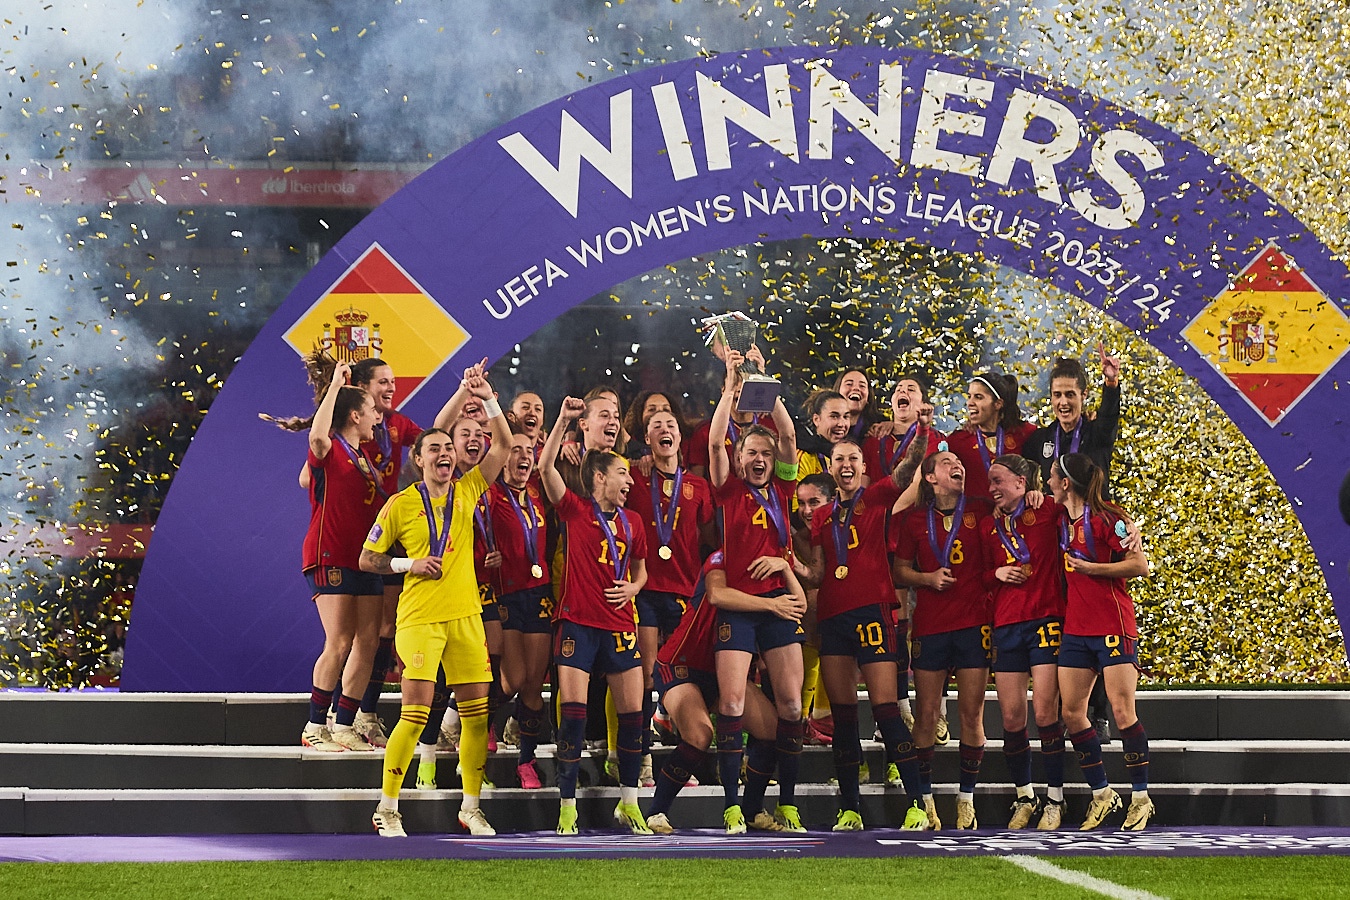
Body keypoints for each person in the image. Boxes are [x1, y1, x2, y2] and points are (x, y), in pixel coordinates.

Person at [359, 363, 512, 838]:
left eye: (449, 448)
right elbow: (367, 559)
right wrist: (410, 565)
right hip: (421, 618)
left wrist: (487, 398)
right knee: (415, 714)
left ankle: (470, 806)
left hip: (466, 616)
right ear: (420, 461)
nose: (446, 454)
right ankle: (387, 807)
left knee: (476, 715)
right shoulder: (402, 504)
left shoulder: (468, 489)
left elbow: (504, 446)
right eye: (436, 449)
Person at [804, 435, 930, 831]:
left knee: (886, 710)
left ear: (862, 466)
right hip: (834, 617)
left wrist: (923, 434)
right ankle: (850, 808)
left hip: (873, 612)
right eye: (839, 458)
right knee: (843, 718)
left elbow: (907, 470)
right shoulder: (821, 516)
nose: (846, 464)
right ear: (830, 465)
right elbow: (820, 572)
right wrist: (788, 562)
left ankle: (916, 803)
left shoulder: (876, 498)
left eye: (853, 458)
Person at [539, 396, 652, 836]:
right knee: (574, 716)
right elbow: (546, 468)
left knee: (632, 716)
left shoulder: (635, 522)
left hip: (622, 626)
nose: (629, 481)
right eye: (622, 473)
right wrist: (563, 420)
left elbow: (641, 568)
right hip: (577, 624)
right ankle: (567, 804)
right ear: (600, 477)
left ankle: (629, 802)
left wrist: (635, 587)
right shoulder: (576, 510)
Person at [707, 346, 807, 834]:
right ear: (740, 457)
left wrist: (763, 380)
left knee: (790, 706)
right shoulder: (728, 490)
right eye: (753, 452)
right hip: (742, 608)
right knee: (731, 705)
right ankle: (730, 807)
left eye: (767, 454)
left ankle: (783, 805)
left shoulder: (785, 490)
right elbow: (712, 447)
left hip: (781, 605)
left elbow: (786, 432)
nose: (762, 459)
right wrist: (731, 390)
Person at [645, 554, 805, 832]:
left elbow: (799, 604)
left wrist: (786, 568)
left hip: (721, 672)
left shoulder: (769, 573)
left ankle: (753, 809)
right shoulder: (721, 559)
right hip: (683, 663)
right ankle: (657, 811)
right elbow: (718, 595)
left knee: (771, 730)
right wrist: (771, 604)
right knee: (699, 735)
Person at [1049, 452, 1153, 831]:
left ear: (1065, 483)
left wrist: (1095, 569)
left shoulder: (1112, 518)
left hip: (1113, 623)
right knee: (1072, 714)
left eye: (1051, 477)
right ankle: (1102, 794)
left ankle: (1141, 798)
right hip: (1077, 629)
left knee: (1123, 712)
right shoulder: (1060, 519)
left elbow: (1139, 565)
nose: (1046, 483)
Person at [1022, 347, 1122, 742]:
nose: (1064, 402)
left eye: (1071, 395)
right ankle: (1068, 710)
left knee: (1094, 624)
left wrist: (1112, 384)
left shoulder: (1096, 432)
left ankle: (1097, 714)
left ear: (1083, 397)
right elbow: (1028, 478)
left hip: (1091, 540)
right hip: (1054, 543)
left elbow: (1111, 419)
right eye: (1057, 395)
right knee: (1064, 624)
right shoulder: (1040, 441)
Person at [893, 449, 994, 830]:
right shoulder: (914, 520)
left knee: (972, 714)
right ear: (930, 478)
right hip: (931, 627)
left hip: (973, 625)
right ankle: (926, 801)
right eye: (948, 463)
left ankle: (966, 799)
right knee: (927, 715)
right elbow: (900, 570)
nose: (958, 467)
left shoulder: (982, 510)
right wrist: (927, 578)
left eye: (960, 464)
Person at [626, 409, 715, 786]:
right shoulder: (633, 475)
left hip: (685, 588)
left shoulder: (698, 484)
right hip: (645, 588)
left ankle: (678, 738)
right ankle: (644, 760)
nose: (665, 431)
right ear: (646, 439)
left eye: (671, 427)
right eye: (656, 427)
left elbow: (710, 535)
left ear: (681, 438)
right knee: (646, 675)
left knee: (683, 673)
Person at [299, 361, 385, 753]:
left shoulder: (365, 458)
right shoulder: (331, 448)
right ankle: (315, 725)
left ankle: (345, 723)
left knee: (367, 641)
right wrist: (335, 385)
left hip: (363, 560)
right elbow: (317, 436)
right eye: (372, 410)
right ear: (354, 414)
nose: (378, 416)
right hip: (329, 554)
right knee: (339, 641)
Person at [981, 454, 1067, 830]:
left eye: (998, 480)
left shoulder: (1048, 509)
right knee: (1013, 717)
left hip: (1046, 618)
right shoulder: (986, 526)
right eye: (989, 482)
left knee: (1046, 713)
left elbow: (1087, 508)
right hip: (1006, 624)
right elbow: (977, 578)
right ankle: (1024, 796)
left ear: (1021, 481)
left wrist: (1127, 527)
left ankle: (1056, 799)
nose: (992, 488)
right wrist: (995, 572)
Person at [486, 429, 555, 789]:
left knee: (532, 685)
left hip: (539, 593)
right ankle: (479, 718)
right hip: (506, 594)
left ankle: (526, 761)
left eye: (529, 450)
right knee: (512, 679)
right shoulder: (491, 495)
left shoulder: (536, 493)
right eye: (515, 449)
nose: (524, 456)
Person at [946, 373, 1036, 502]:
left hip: (1015, 516)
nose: (970, 403)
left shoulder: (1024, 433)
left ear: (998, 404)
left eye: (978, 397)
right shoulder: (957, 441)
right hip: (975, 519)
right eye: (969, 396)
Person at [862, 375, 945, 481]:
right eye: (898, 390)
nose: (903, 392)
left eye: (911, 389)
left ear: (923, 403)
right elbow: (862, 487)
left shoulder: (935, 438)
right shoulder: (874, 439)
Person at [796, 390, 853, 479]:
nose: (841, 424)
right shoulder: (804, 457)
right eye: (834, 416)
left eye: (846, 417)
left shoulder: (853, 456)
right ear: (816, 419)